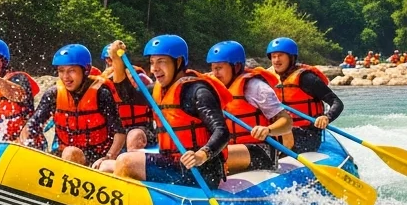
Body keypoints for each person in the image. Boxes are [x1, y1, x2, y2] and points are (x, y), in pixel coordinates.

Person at [109, 35, 230, 189]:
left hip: (200, 171)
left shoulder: (197, 91)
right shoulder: (159, 90)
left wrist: (201, 155)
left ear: (178, 62)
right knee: (107, 166)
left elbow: (222, 131)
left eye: (161, 61)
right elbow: (128, 96)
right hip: (173, 163)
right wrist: (117, 62)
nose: (154, 69)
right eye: (152, 63)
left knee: (125, 162)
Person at [23, 44, 124, 167]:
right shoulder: (53, 94)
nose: (65, 77)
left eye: (71, 71)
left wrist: (108, 157)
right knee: (68, 152)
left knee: (71, 153)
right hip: (64, 154)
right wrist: (26, 144)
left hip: (97, 157)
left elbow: (120, 133)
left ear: (85, 70)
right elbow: (31, 126)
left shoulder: (101, 94)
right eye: (61, 71)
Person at [206, 40, 290, 174]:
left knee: (209, 157)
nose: (215, 73)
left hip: (261, 150)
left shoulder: (256, 88)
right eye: (213, 68)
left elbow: (287, 122)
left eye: (219, 68)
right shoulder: (210, 87)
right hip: (228, 147)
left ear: (237, 67)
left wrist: (268, 130)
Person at [266, 37, 345, 154]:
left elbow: (336, 102)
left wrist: (326, 117)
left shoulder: (306, 78)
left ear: (291, 57)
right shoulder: (267, 78)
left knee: (283, 133)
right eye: (273, 56)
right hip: (278, 130)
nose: (276, 60)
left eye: (280, 55)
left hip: (307, 133)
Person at [101, 43, 155, 153]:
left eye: (113, 60)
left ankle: (130, 162)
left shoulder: (140, 78)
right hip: (116, 132)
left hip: (141, 130)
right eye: (109, 60)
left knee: (134, 135)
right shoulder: (102, 85)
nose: (111, 64)